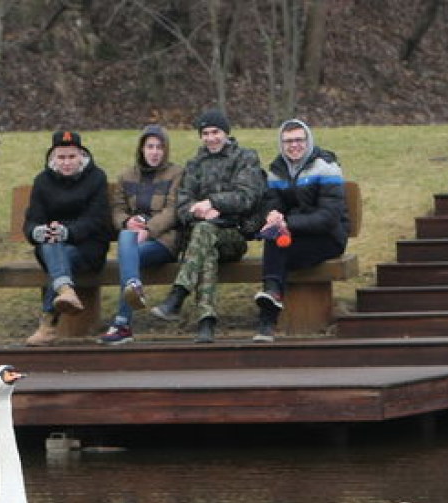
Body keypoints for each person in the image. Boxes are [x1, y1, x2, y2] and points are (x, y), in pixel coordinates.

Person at [150, 108, 266, 344]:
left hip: (233, 236)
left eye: (216, 132)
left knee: (204, 235)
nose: (211, 138)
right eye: (205, 133)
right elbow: (182, 206)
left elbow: (247, 197)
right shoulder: (195, 164)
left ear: (226, 133)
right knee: (205, 243)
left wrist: (214, 203)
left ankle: (178, 295)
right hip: (202, 238)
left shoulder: (245, 158)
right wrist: (199, 211)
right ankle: (206, 322)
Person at [251, 119, 349, 342]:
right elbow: (272, 202)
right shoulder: (277, 170)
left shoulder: (326, 167)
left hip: (328, 238)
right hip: (293, 237)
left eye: (298, 140)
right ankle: (272, 295)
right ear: (281, 144)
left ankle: (267, 322)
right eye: (288, 141)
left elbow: (329, 217)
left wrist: (288, 223)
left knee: (276, 253)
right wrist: (273, 215)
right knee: (274, 240)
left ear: (308, 141)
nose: (293, 145)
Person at [22, 129, 113, 346]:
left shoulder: (97, 178)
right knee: (53, 244)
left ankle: (47, 325)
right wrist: (39, 232)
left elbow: (97, 220)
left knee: (57, 248)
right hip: (51, 247)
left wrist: (66, 232)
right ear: (53, 157)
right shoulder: (42, 181)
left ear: (81, 155)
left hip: (88, 249)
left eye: (71, 156)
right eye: (61, 157)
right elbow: (31, 221)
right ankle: (65, 291)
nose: (66, 162)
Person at [100, 124, 184, 346]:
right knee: (127, 238)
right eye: (150, 147)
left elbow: (172, 211)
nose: (155, 152)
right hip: (133, 241)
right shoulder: (127, 176)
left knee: (128, 251)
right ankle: (134, 286)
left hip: (164, 241)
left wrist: (148, 230)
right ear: (141, 149)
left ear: (166, 150)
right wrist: (128, 221)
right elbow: (117, 210)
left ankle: (122, 324)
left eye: (159, 147)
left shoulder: (176, 173)